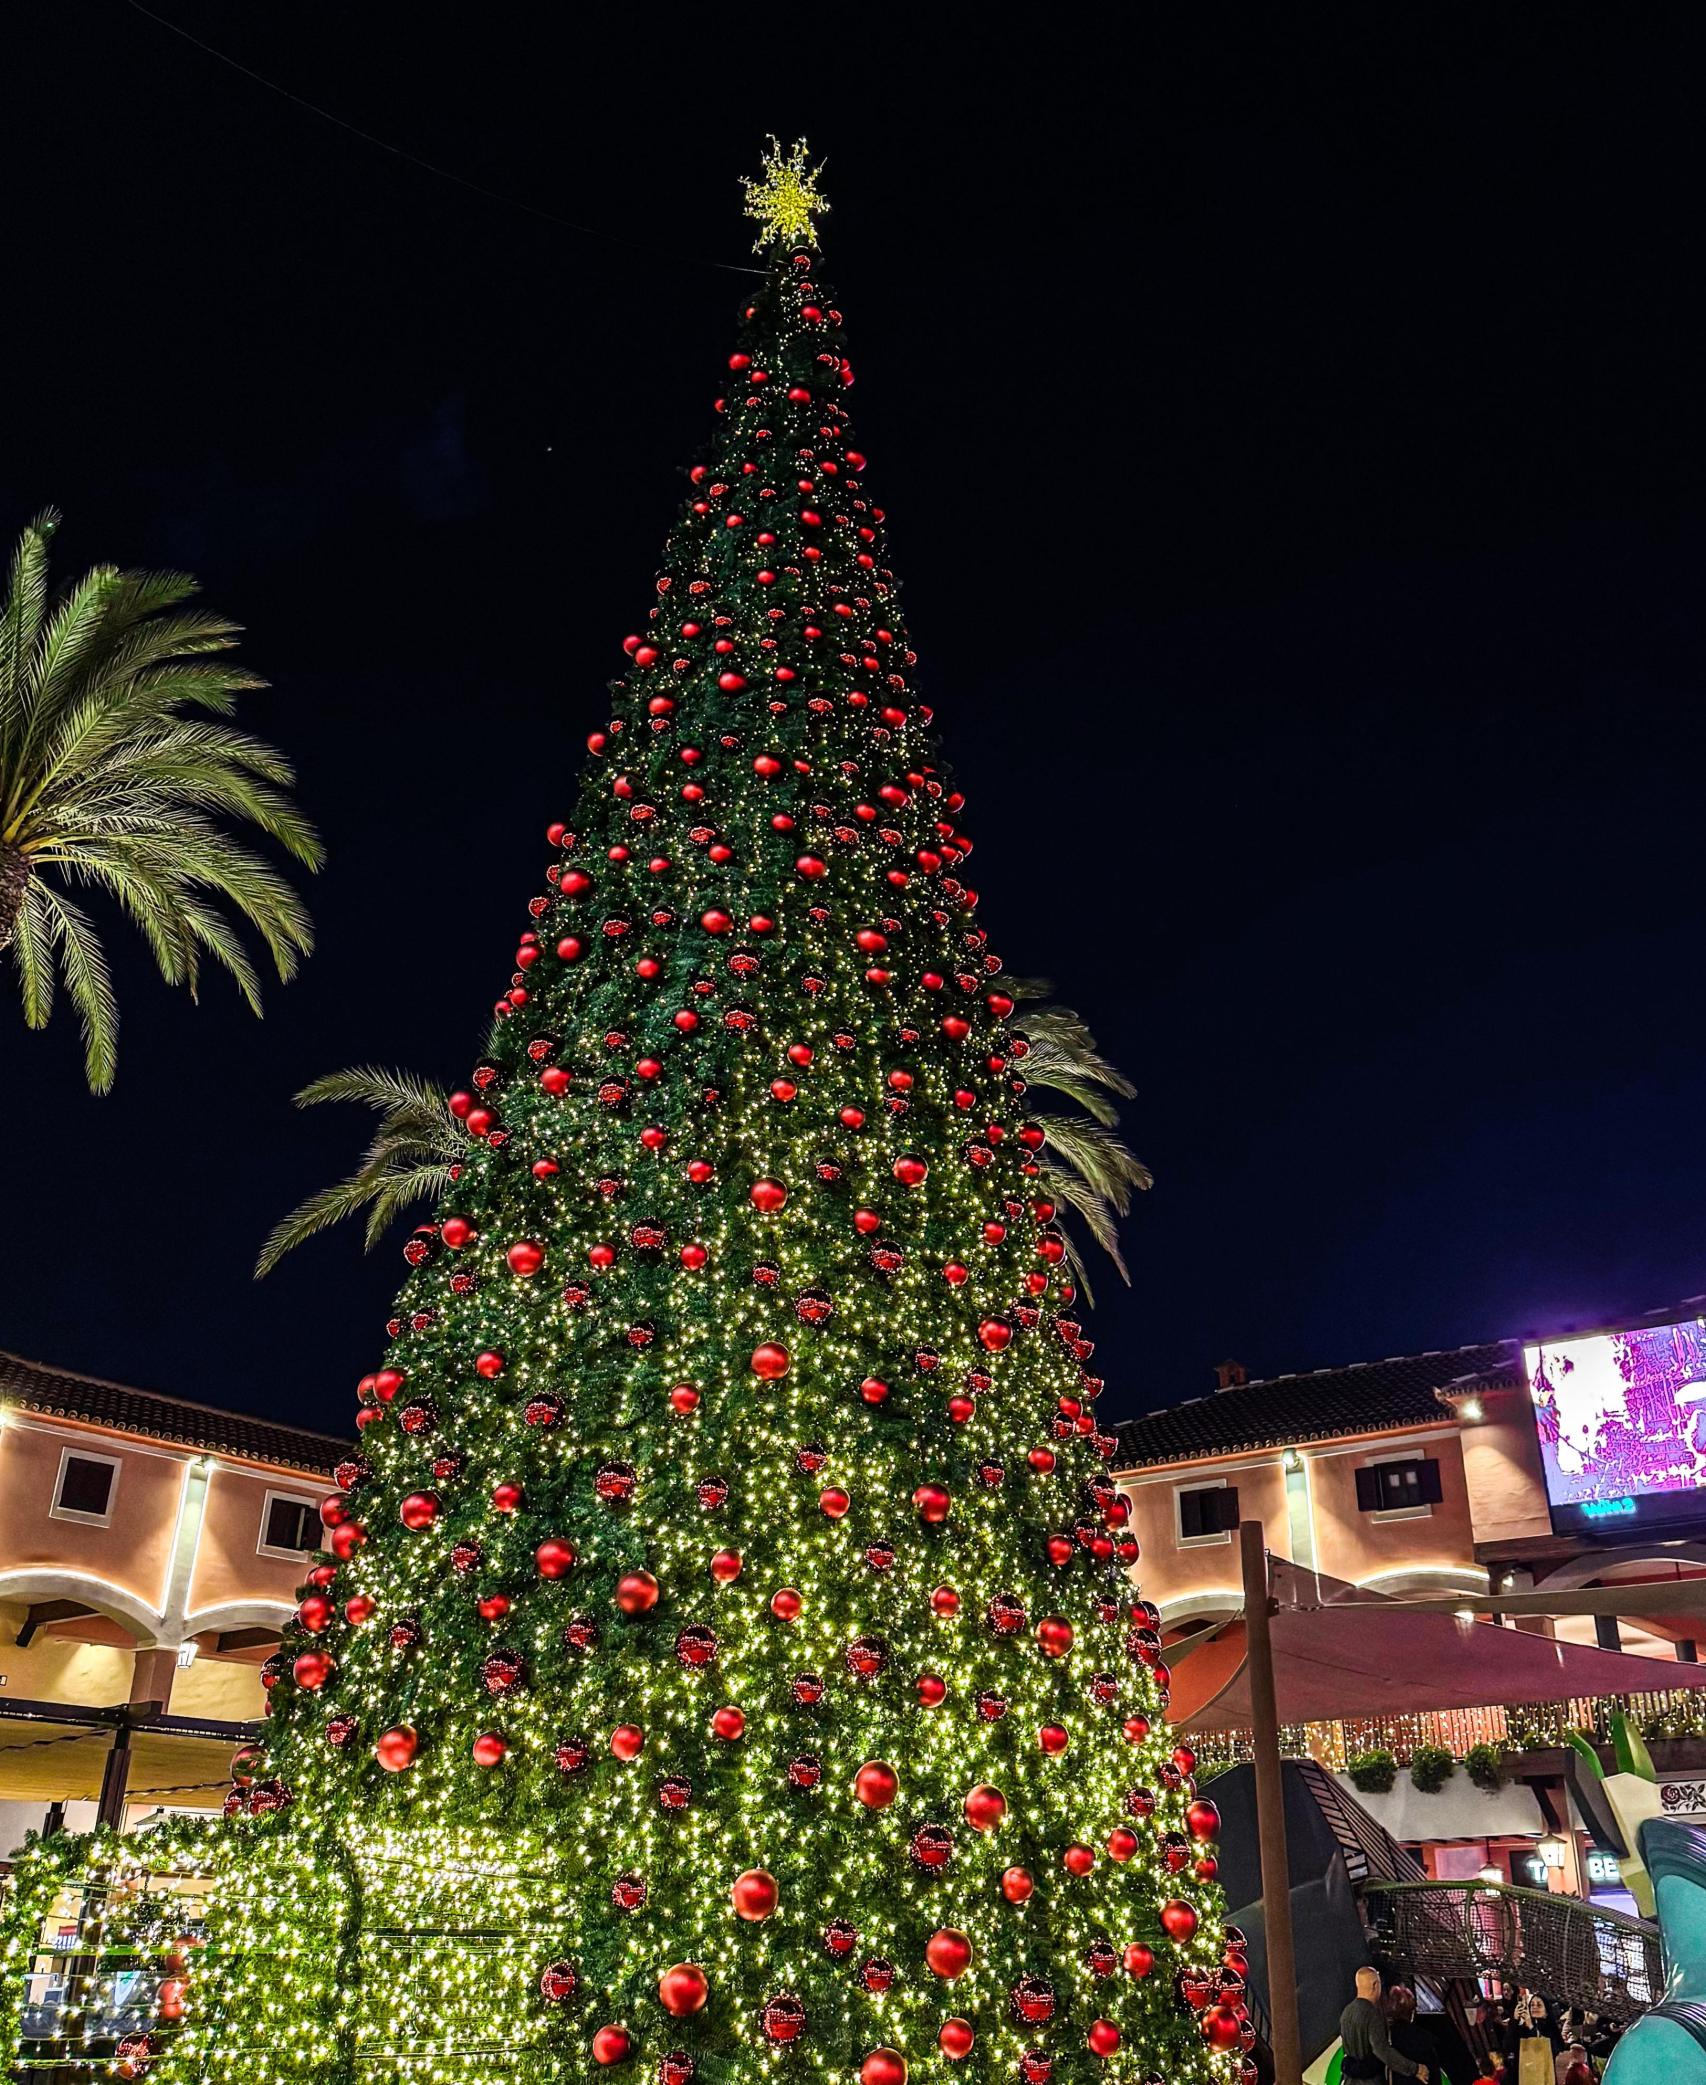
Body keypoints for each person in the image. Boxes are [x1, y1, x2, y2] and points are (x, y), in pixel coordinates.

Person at [1341, 1966, 1428, 2080]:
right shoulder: (1372, 2014)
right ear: (1375, 1985)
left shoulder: (1347, 2012)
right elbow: (1382, 2050)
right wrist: (1415, 2069)